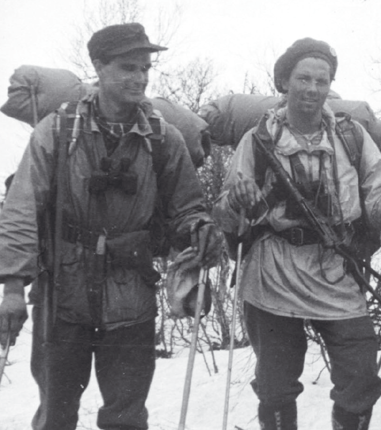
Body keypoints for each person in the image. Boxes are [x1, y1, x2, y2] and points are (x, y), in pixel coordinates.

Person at [0, 23, 223, 430]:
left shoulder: (164, 138)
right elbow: (21, 208)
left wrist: (200, 231)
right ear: (98, 67)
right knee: (56, 414)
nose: (140, 78)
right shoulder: (59, 130)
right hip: (62, 293)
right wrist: (13, 286)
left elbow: (187, 208)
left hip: (131, 294)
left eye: (145, 68)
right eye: (128, 67)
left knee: (126, 415)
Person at [212, 37, 381, 430]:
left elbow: (380, 193)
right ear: (284, 82)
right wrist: (239, 201)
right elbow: (226, 215)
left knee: (361, 376)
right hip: (274, 273)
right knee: (276, 384)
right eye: (303, 79)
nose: (312, 89)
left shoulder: (351, 137)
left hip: (336, 269)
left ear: (330, 85)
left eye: (321, 80)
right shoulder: (257, 141)